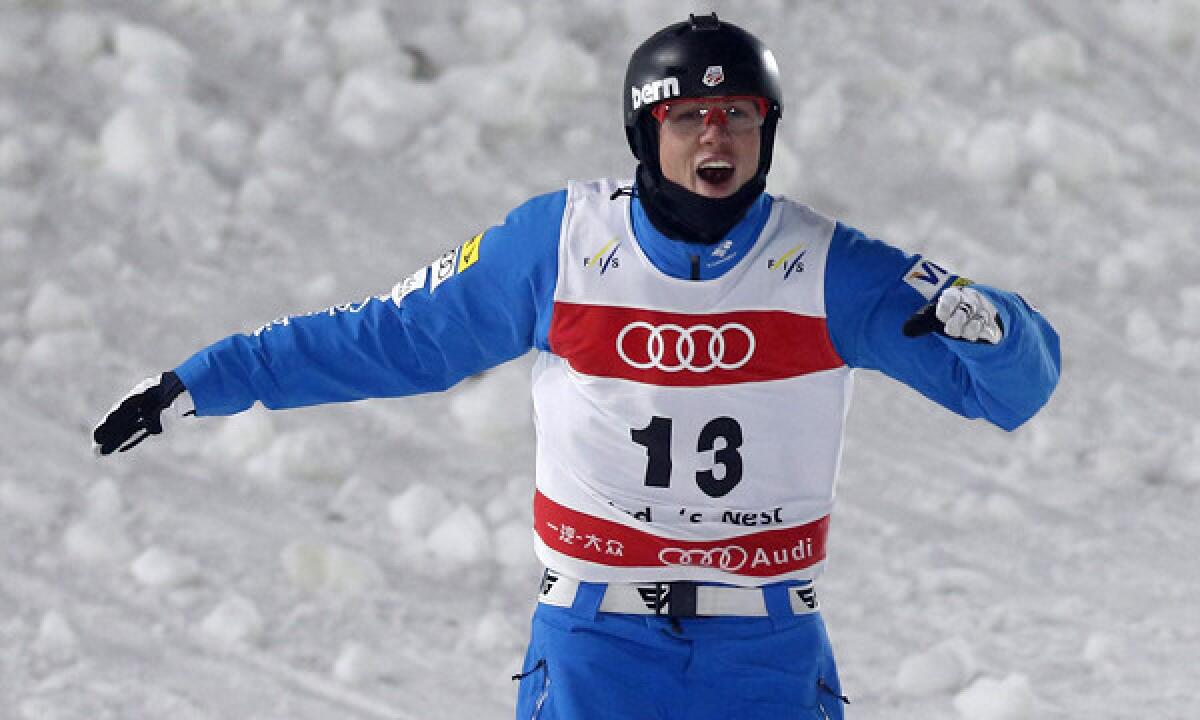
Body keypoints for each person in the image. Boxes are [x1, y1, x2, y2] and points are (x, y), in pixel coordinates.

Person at [94, 13, 1061, 720]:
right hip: (598, 647)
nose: (714, 137)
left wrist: (998, 332)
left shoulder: (829, 269)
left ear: (768, 129)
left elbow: (1014, 390)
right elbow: (394, 335)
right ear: (646, 133)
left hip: (763, 651)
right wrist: (200, 380)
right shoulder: (556, 244)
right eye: (687, 117)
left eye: (736, 114)